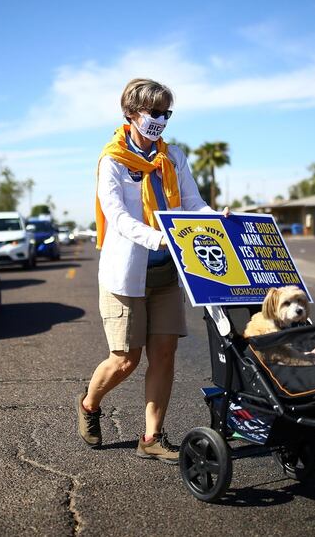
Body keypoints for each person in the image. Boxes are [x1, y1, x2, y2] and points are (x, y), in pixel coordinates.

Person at [76, 78, 229, 463]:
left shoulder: (172, 157)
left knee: (164, 354)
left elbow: (192, 203)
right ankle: (90, 404)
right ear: (131, 114)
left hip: (165, 274)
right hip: (125, 276)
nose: (160, 119)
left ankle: (152, 437)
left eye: (166, 113)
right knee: (126, 359)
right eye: (153, 112)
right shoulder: (113, 160)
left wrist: (217, 219)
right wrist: (156, 237)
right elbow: (116, 216)